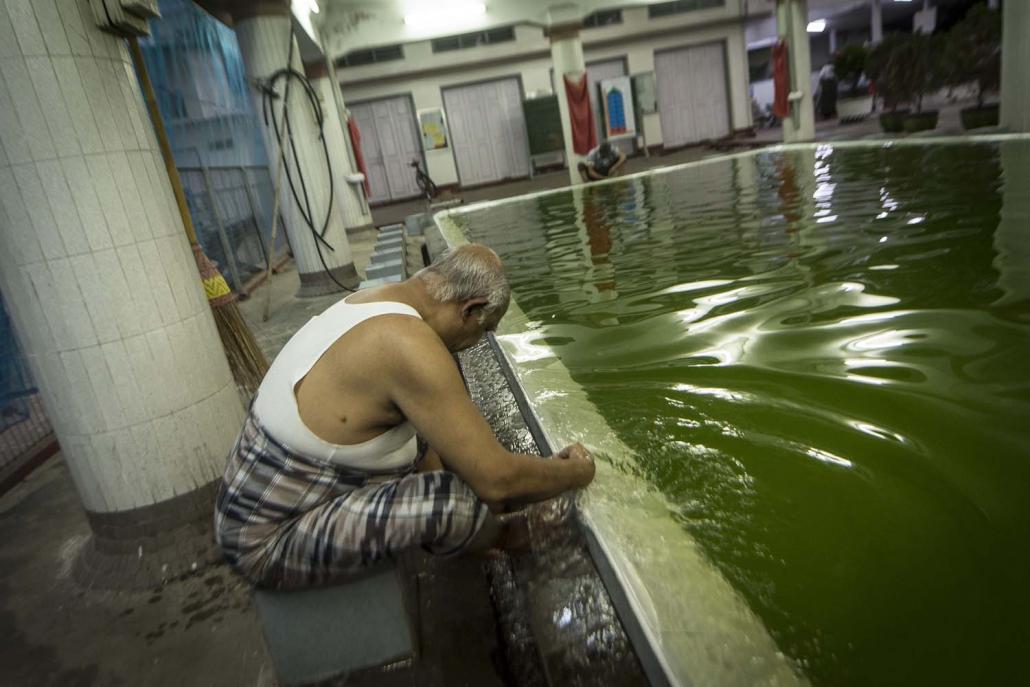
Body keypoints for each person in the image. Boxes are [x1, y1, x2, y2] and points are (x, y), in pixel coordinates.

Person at [215, 244, 596, 590]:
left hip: (257, 503)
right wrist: (573, 473)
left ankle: (465, 529)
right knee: (448, 502)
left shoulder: (373, 302)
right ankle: (503, 537)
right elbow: (495, 478)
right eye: (484, 330)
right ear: (470, 309)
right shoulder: (407, 345)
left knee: (442, 438)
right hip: (266, 540)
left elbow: (423, 437)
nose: (479, 342)